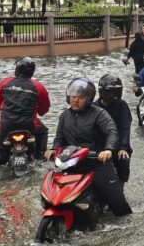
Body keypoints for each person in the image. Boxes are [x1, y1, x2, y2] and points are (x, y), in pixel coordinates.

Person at [44, 78, 132, 216]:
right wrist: (53, 149)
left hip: (97, 163)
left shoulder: (99, 114)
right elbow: (59, 137)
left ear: (89, 99)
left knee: (119, 207)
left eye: (81, 97)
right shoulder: (64, 116)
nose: (76, 100)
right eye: (73, 97)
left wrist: (108, 149)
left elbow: (112, 132)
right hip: (71, 164)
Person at [0, 57, 50, 164]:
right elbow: (43, 110)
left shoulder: (4, 83)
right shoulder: (38, 87)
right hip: (30, 125)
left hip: (6, 125)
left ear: (17, 69)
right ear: (32, 71)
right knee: (43, 132)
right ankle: (40, 158)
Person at [94, 75, 133, 188]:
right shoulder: (94, 107)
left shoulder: (122, 105)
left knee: (123, 161)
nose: (114, 95)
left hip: (119, 145)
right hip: (98, 146)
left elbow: (125, 127)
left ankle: (120, 187)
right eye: (111, 92)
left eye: (116, 92)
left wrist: (124, 147)